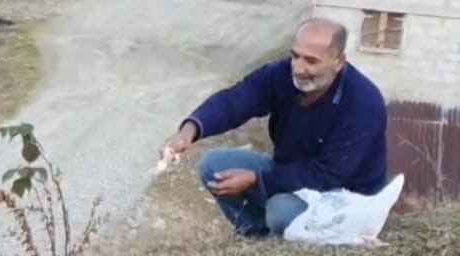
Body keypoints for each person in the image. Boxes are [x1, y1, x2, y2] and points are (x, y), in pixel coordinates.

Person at [160, 17, 389, 237]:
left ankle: (283, 235)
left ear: (338, 62)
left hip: (345, 198)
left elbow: (326, 175)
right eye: (295, 56)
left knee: (281, 211)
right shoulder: (282, 75)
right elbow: (236, 100)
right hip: (290, 174)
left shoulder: (363, 104)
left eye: (311, 61)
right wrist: (190, 130)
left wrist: (257, 180)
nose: (298, 69)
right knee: (214, 167)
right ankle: (257, 236)